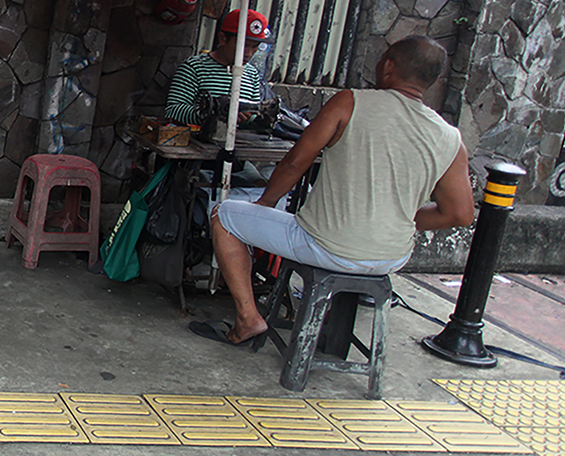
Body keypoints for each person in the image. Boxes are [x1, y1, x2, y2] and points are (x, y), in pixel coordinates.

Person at [193, 35, 476, 347]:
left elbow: (294, 163)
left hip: (326, 246)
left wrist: (265, 203)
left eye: (383, 59)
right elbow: (460, 214)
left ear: (389, 66)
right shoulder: (451, 137)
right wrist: (403, 219)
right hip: (391, 257)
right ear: (433, 82)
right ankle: (326, 318)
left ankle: (248, 318)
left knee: (225, 215)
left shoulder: (350, 102)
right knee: (337, 237)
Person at [163, 8, 271, 127]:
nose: (249, 54)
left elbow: (255, 113)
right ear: (223, 39)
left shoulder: (252, 74)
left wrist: (248, 118)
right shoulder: (194, 68)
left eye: (254, 47)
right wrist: (212, 113)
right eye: (243, 46)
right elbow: (172, 111)